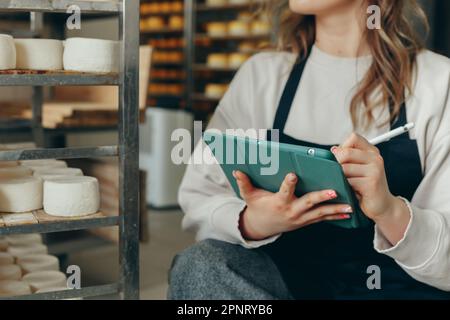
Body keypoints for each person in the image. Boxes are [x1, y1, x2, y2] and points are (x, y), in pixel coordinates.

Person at [169, 0, 450, 299]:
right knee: (199, 265)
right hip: (281, 290)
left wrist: (390, 211)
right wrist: (254, 221)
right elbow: (200, 194)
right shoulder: (261, 77)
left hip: (401, 291)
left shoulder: (437, 81)